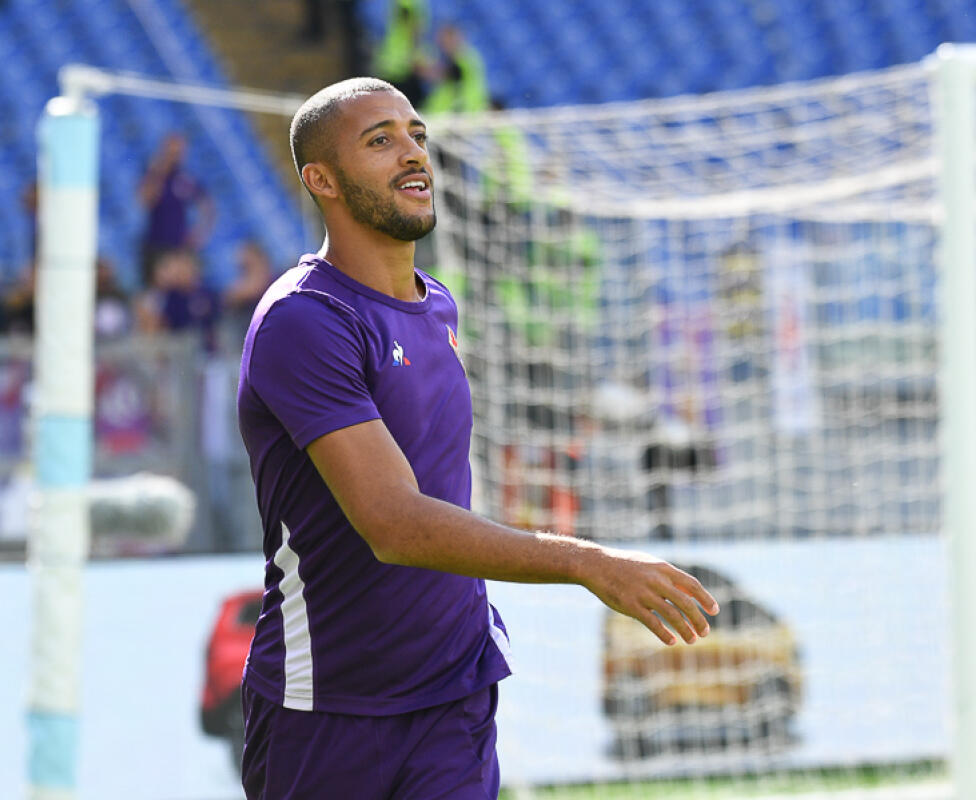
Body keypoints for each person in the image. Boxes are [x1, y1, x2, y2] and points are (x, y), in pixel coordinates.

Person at [235, 77, 719, 799]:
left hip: (454, 691)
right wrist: (587, 562)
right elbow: (394, 524)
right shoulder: (304, 320)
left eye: (416, 135)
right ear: (321, 180)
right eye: (380, 141)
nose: (412, 155)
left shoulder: (439, 307)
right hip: (331, 704)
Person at [137, 134, 215, 288]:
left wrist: (199, 233)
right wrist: (158, 173)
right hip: (156, 245)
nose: (175, 156)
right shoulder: (153, 175)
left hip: (178, 247)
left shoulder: (185, 179)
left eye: (178, 152)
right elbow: (145, 200)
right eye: (171, 152)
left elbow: (208, 207)